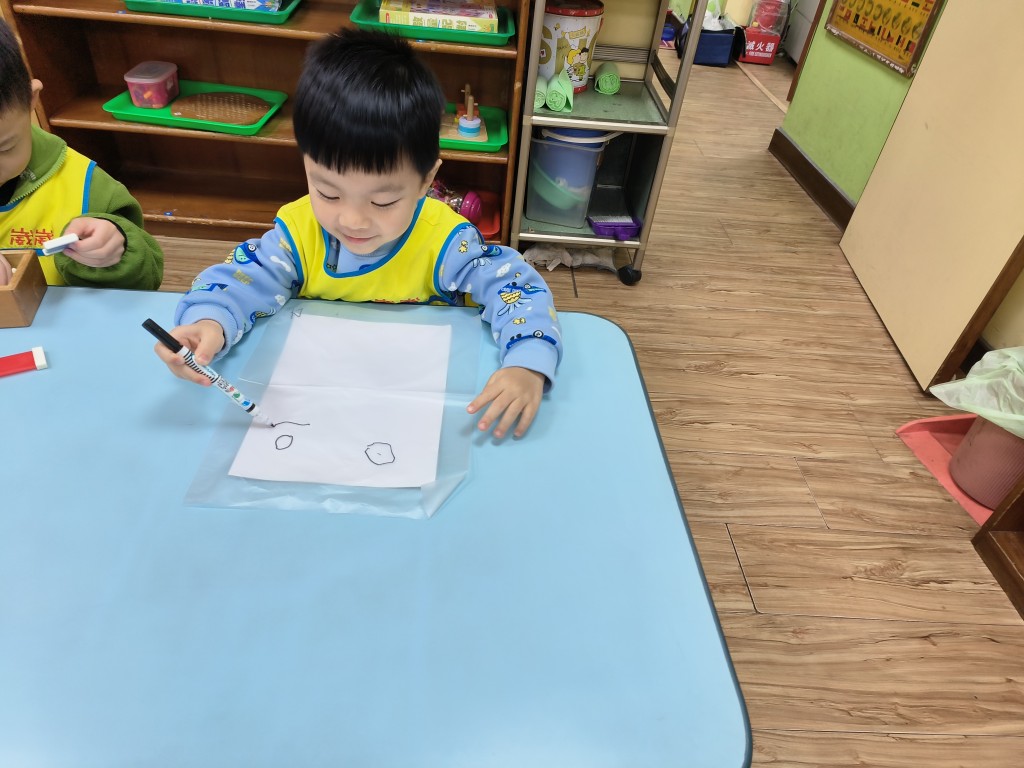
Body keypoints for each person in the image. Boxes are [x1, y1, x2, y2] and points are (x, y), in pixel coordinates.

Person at [155, 28, 561, 439]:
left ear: (426, 181)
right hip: (319, 403)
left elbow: (514, 287)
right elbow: (242, 279)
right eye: (328, 193)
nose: (352, 220)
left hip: (414, 406)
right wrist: (209, 323)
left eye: (383, 201)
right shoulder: (297, 235)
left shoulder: (446, 242)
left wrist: (527, 363)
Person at [0, 19, 162, 289]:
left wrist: (114, 253)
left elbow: (145, 281)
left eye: (4, 148)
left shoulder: (84, 187)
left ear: (31, 101)